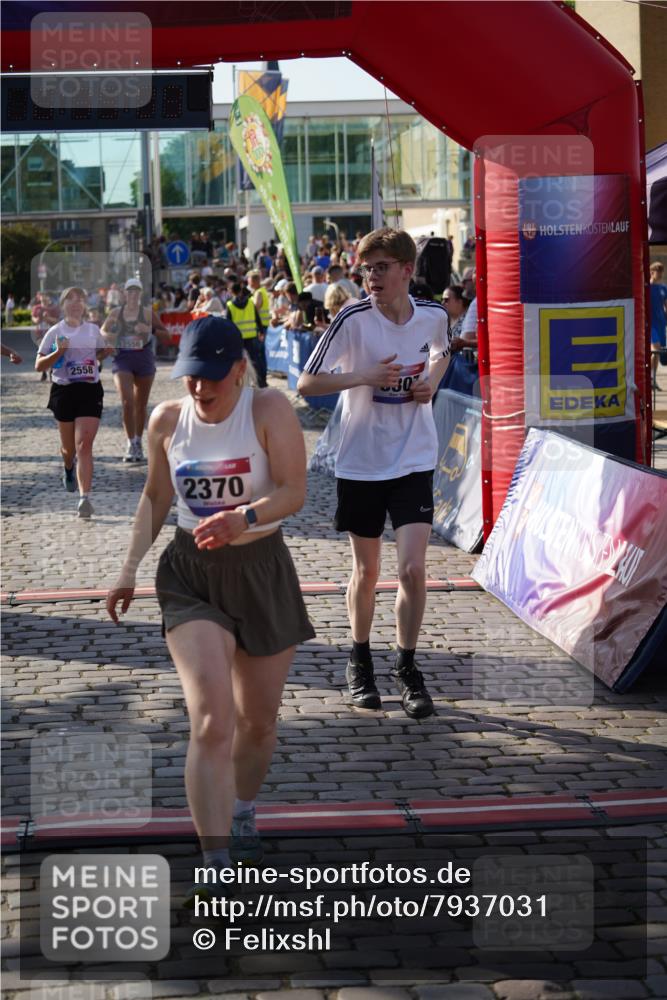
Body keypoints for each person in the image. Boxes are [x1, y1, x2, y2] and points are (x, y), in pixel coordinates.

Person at [106, 315, 314, 902]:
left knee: (257, 723)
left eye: (212, 378)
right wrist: (128, 570)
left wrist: (243, 517)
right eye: (191, 377)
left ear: (240, 369)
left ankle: (242, 809)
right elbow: (155, 496)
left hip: (262, 570)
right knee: (211, 720)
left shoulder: (269, 410)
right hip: (189, 577)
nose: (200, 389)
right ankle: (216, 855)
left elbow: (294, 491)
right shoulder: (167, 421)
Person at [298, 228, 451, 719]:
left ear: (407, 270)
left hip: (413, 457)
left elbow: (442, 351)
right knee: (367, 573)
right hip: (362, 462)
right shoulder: (351, 319)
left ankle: (407, 666)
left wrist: (430, 382)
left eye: (381, 267)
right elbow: (307, 383)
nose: (371, 277)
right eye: (366, 268)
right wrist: (364, 376)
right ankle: (360, 657)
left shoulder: (432, 315)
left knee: (411, 569)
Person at [35, 286, 114, 518]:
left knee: (84, 446)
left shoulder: (92, 330)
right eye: (70, 300)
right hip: (64, 391)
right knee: (69, 449)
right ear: (63, 306)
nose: (76, 304)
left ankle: (84, 498)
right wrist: (58, 353)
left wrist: (104, 353)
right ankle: (68, 466)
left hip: (90, 390)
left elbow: (98, 353)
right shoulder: (55, 332)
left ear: (84, 306)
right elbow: (39, 366)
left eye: (80, 299)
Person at [102, 278, 171, 463]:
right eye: (129, 291)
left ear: (140, 294)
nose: (133, 295)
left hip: (143, 358)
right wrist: (112, 335)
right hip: (122, 358)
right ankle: (130, 442)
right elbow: (102, 332)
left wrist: (151, 330)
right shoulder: (116, 312)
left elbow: (167, 337)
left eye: (136, 291)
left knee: (140, 405)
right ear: (124, 294)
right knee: (127, 401)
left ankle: (138, 442)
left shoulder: (148, 314)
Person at [226, 281, 268, 389]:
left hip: (238, 338)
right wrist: (261, 330)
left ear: (231, 292)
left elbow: (228, 323)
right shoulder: (250, 302)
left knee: (239, 361)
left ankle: (242, 384)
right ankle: (261, 382)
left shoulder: (230, 305)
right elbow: (257, 318)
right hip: (251, 336)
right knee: (255, 360)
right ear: (240, 290)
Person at [650, 261, 667, 391]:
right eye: (658, 271)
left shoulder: (663, 288)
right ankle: (650, 378)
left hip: (661, 324)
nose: (660, 273)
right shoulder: (647, 287)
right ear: (652, 272)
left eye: (662, 271)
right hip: (651, 324)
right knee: (655, 349)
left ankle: (652, 378)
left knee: (658, 352)